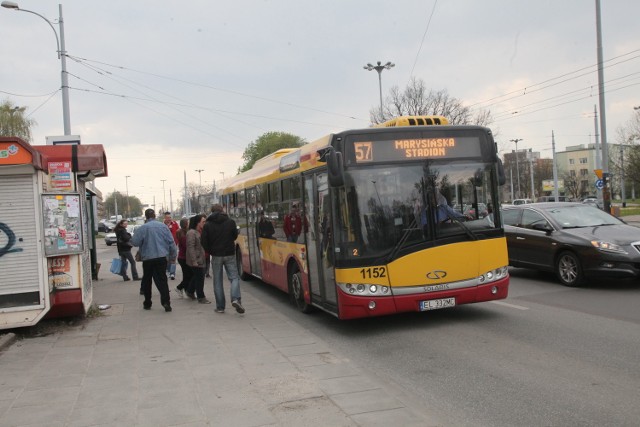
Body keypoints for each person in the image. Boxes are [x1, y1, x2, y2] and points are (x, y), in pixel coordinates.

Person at [201, 204, 244, 314]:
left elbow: (204, 242)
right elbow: (234, 236)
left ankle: (220, 307)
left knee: (217, 281)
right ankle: (235, 299)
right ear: (222, 211)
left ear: (212, 211)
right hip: (229, 253)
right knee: (234, 277)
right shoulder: (230, 222)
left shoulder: (208, 224)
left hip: (216, 255)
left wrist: (211, 251)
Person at [131, 209, 177, 312]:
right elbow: (171, 243)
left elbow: (134, 242)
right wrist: (172, 257)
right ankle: (166, 302)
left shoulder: (143, 228)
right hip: (161, 258)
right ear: (155, 215)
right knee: (162, 280)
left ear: (146, 217)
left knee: (147, 280)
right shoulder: (163, 227)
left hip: (148, 259)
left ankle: (147, 302)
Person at [186, 214, 210, 304]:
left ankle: (190, 291)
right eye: (203, 222)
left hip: (201, 258)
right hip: (196, 259)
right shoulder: (191, 233)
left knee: (196, 276)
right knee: (200, 278)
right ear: (198, 223)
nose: (205, 223)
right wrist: (194, 261)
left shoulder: (200, 231)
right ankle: (201, 296)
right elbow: (190, 247)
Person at [174, 218, 192, 299]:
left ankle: (185, 289)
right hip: (184, 258)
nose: (188, 224)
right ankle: (179, 288)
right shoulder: (183, 235)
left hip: (182, 257)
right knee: (188, 275)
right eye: (187, 223)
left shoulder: (182, 232)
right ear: (185, 224)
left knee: (186, 275)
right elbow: (186, 247)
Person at [163, 212, 179, 280]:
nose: (169, 219)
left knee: (173, 259)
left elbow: (178, 232)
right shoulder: (162, 225)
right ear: (165, 218)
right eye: (168, 218)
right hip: (165, 245)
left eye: (170, 217)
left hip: (174, 244)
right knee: (167, 259)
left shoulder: (175, 223)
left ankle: (172, 273)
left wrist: (178, 241)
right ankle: (168, 271)